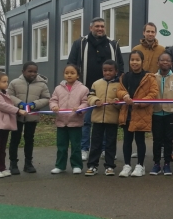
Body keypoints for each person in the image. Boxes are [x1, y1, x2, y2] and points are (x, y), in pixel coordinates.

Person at [67, 17, 124, 162]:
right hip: (85, 89)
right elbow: (71, 64)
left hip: (109, 90)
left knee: (106, 121)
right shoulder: (80, 43)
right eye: (97, 26)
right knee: (86, 121)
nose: (100, 29)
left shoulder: (113, 44)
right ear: (90, 27)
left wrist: (119, 83)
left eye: (102, 26)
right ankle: (85, 148)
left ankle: (105, 149)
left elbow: (121, 66)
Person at [117, 50, 159, 178]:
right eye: (132, 60)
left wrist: (139, 102)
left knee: (140, 140)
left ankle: (140, 165)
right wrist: (124, 96)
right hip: (127, 113)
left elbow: (153, 93)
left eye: (137, 60)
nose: (134, 62)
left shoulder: (149, 77)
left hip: (141, 113)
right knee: (127, 140)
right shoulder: (125, 76)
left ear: (142, 61)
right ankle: (127, 165)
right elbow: (119, 90)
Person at [7, 61, 50, 174]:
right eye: (29, 71)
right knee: (15, 140)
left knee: (29, 139)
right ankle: (13, 164)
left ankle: (28, 163)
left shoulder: (42, 85)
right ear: (23, 71)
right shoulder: (15, 83)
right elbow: (8, 96)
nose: (32, 73)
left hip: (32, 117)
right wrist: (19, 103)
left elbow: (46, 98)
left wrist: (34, 104)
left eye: (35, 71)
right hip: (17, 116)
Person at [0, 72, 27, 178]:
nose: (7, 83)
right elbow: (3, 106)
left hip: (4, 124)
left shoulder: (3, 93)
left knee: (2, 148)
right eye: (4, 81)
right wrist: (18, 110)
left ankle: (2, 168)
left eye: (7, 81)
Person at [50, 65, 89, 175]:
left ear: (78, 75)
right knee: (61, 146)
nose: (69, 75)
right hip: (61, 122)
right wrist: (54, 107)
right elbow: (53, 100)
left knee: (76, 146)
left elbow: (86, 102)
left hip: (75, 122)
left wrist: (80, 109)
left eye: (72, 73)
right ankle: (60, 166)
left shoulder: (83, 89)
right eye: (67, 73)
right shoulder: (58, 88)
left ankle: (76, 165)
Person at [85, 60, 121, 176]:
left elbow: (121, 100)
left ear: (116, 71)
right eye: (105, 70)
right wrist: (96, 101)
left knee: (110, 143)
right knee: (95, 143)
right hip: (97, 118)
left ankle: (110, 166)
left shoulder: (119, 85)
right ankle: (92, 165)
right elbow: (90, 96)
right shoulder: (96, 83)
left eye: (110, 70)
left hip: (112, 119)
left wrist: (116, 102)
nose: (107, 73)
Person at [151, 53, 173, 176]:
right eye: (162, 60)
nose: (165, 62)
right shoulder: (153, 77)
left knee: (168, 140)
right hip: (156, 112)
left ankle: (167, 164)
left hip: (170, 112)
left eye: (168, 60)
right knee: (157, 139)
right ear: (158, 62)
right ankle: (156, 164)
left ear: (171, 63)